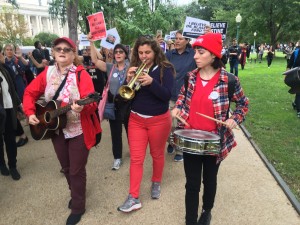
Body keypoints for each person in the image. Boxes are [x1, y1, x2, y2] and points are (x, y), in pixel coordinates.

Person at [171, 33, 249, 225]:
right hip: (191, 138)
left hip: (215, 141)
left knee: (210, 179)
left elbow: (243, 105)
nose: (195, 56)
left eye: (200, 52)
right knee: (192, 183)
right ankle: (190, 220)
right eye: (195, 51)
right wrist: (177, 108)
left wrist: (233, 119)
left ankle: (206, 211)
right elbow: (182, 97)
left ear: (213, 55)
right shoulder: (190, 78)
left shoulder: (229, 81)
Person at [23, 37, 101, 225]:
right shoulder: (47, 73)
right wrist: (30, 112)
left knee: (76, 170)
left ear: (73, 54)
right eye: (58, 48)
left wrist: (83, 108)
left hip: (79, 129)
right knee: (66, 168)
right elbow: (29, 93)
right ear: (53, 52)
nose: (62, 51)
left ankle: (78, 206)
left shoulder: (81, 74)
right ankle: (75, 193)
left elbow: (92, 103)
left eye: (67, 49)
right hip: (55, 129)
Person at [117, 35, 175, 212]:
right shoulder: (133, 68)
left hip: (159, 120)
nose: (144, 56)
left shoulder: (166, 68)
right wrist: (128, 80)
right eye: (140, 52)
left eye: (147, 52)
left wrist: (152, 83)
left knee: (157, 154)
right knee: (136, 158)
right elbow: (125, 94)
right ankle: (133, 196)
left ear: (155, 51)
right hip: (136, 120)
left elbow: (167, 95)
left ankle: (156, 182)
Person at [88, 33, 130, 170]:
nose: (118, 54)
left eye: (121, 52)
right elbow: (94, 59)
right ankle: (117, 158)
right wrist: (91, 42)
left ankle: (135, 153)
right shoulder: (110, 67)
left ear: (125, 54)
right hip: (113, 105)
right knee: (115, 133)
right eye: (116, 51)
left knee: (131, 132)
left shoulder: (131, 67)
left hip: (128, 105)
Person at [165, 30, 197, 162]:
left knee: (181, 125)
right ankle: (171, 142)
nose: (177, 41)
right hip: (170, 95)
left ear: (187, 41)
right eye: (176, 38)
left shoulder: (193, 54)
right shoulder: (169, 54)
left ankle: (180, 149)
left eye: (180, 38)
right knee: (168, 125)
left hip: (186, 96)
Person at [3, 44, 29, 147]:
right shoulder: (3, 62)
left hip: (19, 86)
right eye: (7, 50)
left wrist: (20, 57)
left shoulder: (16, 60)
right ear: (4, 51)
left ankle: (30, 121)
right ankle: (18, 128)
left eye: (11, 50)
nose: (9, 51)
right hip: (11, 88)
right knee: (15, 109)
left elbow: (26, 65)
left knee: (24, 107)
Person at [0, 63, 22, 180]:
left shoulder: (4, 70)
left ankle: (12, 166)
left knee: (10, 140)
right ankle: (2, 164)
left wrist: (19, 104)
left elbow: (11, 90)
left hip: (8, 110)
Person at [287, 40, 300, 117]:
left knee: (298, 91)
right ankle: (299, 110)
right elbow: (289, 64)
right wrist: (286, 75)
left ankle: (295, 104)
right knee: (299, 92)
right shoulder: (296, 52)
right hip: (297, 75)